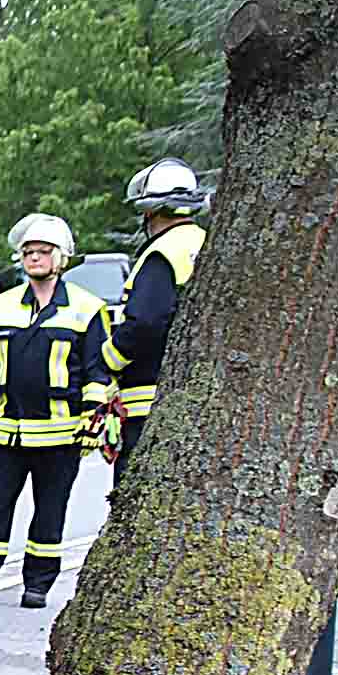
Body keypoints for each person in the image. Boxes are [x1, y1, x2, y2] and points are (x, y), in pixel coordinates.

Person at [0, 214, 114, 609]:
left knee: (50, 512)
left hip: (61, 435)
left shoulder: (87, 309)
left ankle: (37, 585)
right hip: (4, 433)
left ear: (61, 258)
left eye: (43, 251)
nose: (34, 258)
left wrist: (92, 419)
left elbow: (97, 371)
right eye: (28, 252)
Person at [94, 157, 209, 470]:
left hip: (149, 402)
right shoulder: (207, 243)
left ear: (148, 211)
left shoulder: (160, 254)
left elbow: (145, 323)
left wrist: (107, 361)